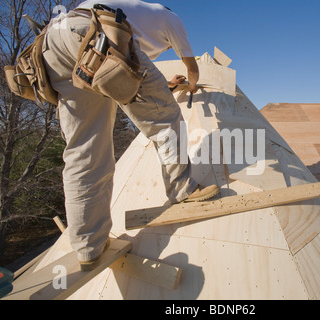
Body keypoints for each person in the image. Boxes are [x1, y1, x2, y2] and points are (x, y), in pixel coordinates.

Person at [42, 0, 219, 271]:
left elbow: (129, 72)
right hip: (94, 35)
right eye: (169, 45)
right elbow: (191, 67)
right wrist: (191, 84)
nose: (168, 47)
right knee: (165, 117)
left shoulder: (138, 15)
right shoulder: (169, 17)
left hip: (53, 43)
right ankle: (183, 189)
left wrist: (166, 84)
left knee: (84, 149)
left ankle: (89, 246)